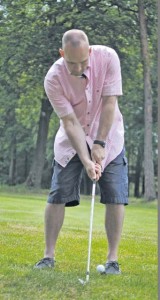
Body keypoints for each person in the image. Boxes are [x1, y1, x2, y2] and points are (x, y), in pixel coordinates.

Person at [34, 29, 128, 274]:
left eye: (83, 62)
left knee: (116, 195)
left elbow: (109, 103)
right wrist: (86, 159)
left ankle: (112, 260)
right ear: (61, 53)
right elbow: (70, 122)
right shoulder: (53, 78)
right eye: (71, 63)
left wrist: (100, 143)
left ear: (90, 51)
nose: (77, 68)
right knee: (58, 194)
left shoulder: (108, 58)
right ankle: (48, 257)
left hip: (110, 135)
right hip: (71, 139)